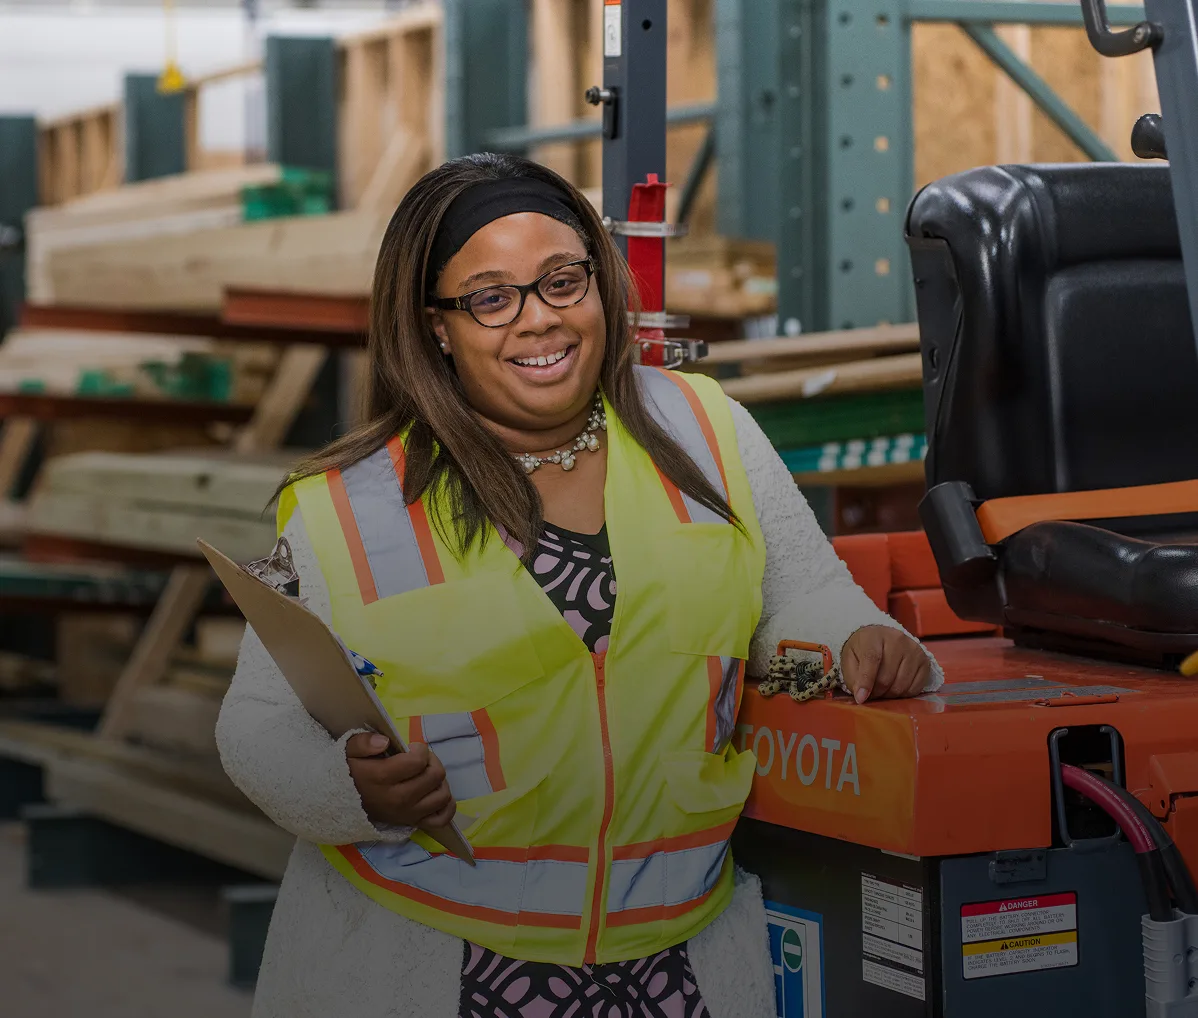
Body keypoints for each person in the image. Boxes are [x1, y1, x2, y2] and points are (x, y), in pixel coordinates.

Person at [216, 152, 943, 1018]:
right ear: (436, 326)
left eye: (563, 281)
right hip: (436, 960)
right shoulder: (350, 505)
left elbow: (803, 592)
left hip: (675, 964)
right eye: (491, 298)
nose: (540, 320)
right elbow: (256, 725)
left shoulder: (706, 430)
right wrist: (346, 787)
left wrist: (860, 637)